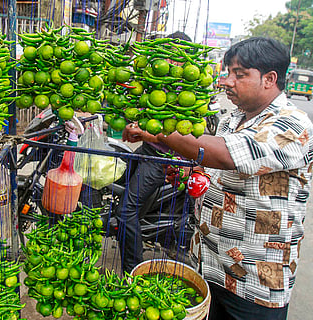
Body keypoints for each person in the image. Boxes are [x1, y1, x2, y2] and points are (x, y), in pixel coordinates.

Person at [153, 37, 313, 319]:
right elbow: (224, 171)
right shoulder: (233, 119)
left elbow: (226, 155)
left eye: (239, 75)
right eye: (228, 73)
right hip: (211, 266)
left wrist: (153, 126)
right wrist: (193, 174)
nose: (227, 81)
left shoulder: (292, 123)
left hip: (256, 282)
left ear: (269, 79)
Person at [118, 31, 193, 273]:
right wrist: (133, 128)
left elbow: (177, 140)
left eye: (175, 56)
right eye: (167, 55)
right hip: (148, 150)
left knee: (126, 211)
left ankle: (134, 270)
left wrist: (144, 134)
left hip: (162, 159)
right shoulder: (159, 84)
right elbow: (145, 118)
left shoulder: (183, 92)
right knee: (117, 184)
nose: (170, 61)